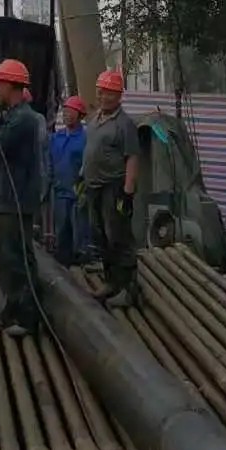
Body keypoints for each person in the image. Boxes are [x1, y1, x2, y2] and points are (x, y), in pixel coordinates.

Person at [0, 58, 50, 339]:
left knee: (18, 258)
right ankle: (10, 310)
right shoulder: (12, 114)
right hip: (9, 196)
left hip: (18, 198)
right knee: (5, 257)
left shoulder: (23, 118)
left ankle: (28, 318)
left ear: (11, 85)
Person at [82, 69, 140, 310]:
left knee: (118, 236)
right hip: (93, 185)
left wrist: (128, 191)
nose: (103, 96)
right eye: (100, 92)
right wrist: (81, 176)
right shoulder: (94, 119)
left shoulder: (125, 124)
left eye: (108, 93)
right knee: (99, 235)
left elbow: (132, 158)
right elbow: (90, 150)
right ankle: (110, 281)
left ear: (118, 96)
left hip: (114, 187)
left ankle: (129, 288)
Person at [50, 95, 89, 268]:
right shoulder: (57, 137)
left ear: (80, 115)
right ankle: (63, 264)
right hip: (59, 192)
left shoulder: (85, 139)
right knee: (61, 232)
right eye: (65, 111)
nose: (66, 115)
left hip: (78, 194)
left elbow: (88, 164)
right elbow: (49, 161)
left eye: (70, 112)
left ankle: (81, 265)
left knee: (80, 232)